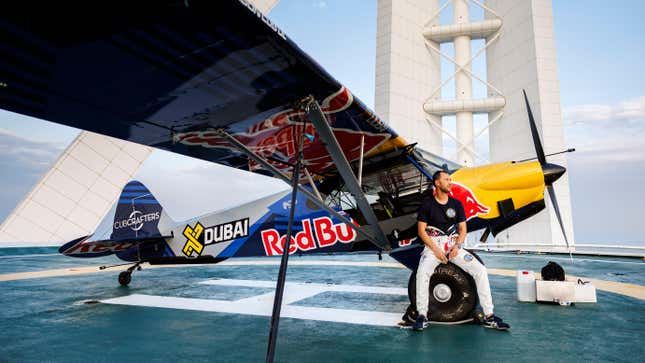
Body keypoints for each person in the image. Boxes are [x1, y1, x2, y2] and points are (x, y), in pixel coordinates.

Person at [413, 170, 509, 331]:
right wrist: (436, 251)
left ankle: (489, 316)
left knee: (480, 270)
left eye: (450, 179)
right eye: (446, 179)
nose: (450, 182)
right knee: (422, 273)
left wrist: (457, 247)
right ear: (437, 183)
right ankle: (422, 315)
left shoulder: (456, 204)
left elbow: (463, 229)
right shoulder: (427, 204)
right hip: (433, 247)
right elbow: (422, 231)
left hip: (453, 246)